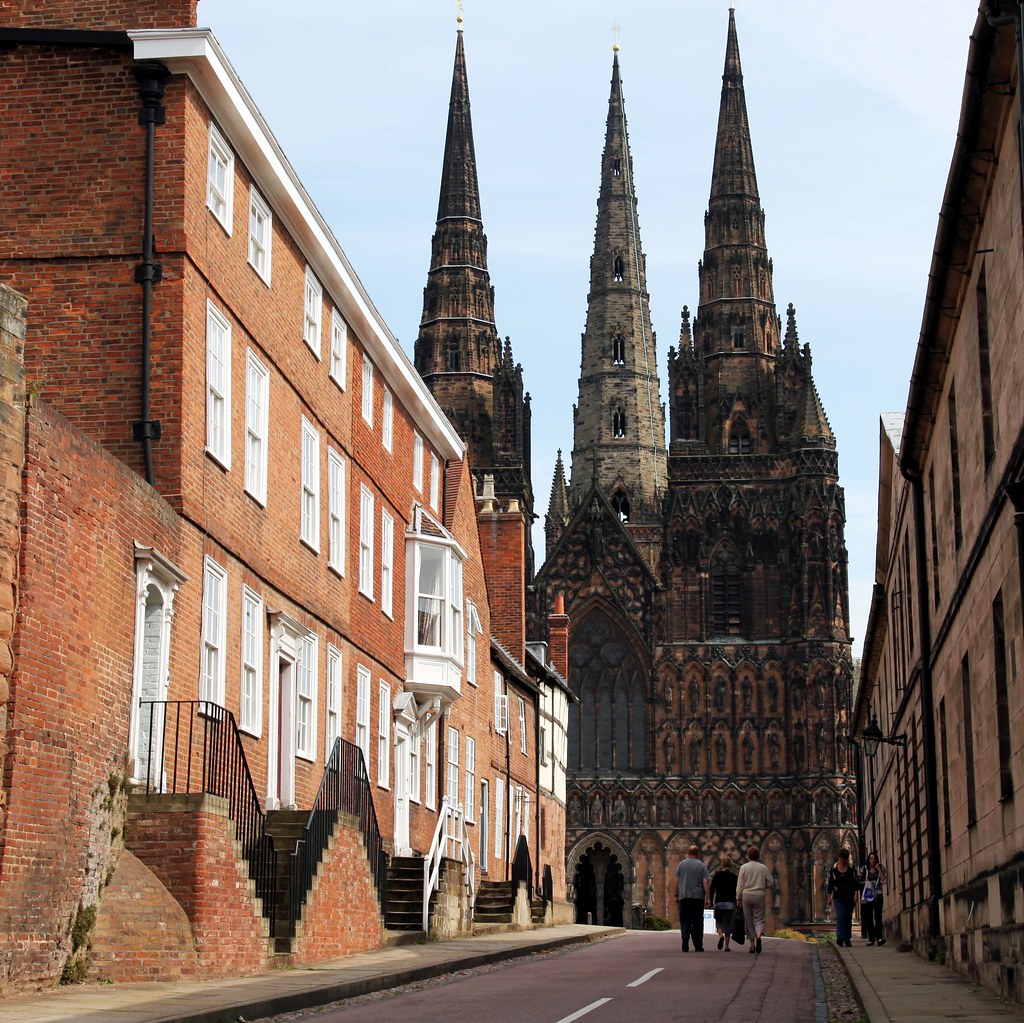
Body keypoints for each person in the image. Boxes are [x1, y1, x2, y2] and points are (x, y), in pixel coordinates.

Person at [736, 844, 774, 954]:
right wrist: (763, 886)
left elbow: (740, 885)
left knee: (748, 920)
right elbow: (771, 882)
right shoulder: (763, 867)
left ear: (748, 856)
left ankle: (752, 946)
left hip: (746, 895)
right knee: (759, 919)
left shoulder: (744, 867)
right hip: (759, 894)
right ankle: (759, 936)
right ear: (758, 856)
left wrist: (738, 898)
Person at [675, 844, 711, 952]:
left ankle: (685, 940)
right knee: (697, 922)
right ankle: (698, 945)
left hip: (684, 896)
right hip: (697, 897)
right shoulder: (701, 866)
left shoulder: (681, 865)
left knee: (685, 920)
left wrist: (676, 895)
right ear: (697, 854)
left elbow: (676, 880)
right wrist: (708, 897)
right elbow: (706, 882)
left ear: (688, 853)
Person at [827, 848, 860, 947]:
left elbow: (855, 883)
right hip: (838, 896)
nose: (843, 860)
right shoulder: (834, 869)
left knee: (848, 917)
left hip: (849, 895)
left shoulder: (851, 869)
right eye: (842, 858)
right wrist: (829, 896)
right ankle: (840, 937)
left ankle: (847, 939)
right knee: (841, 916)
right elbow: (831, 883)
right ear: (839, 858)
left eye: (845, 858)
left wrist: (856, 894)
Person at [710, 855, 738, 951]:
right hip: (730, 903)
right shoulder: (734, 877)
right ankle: (726, 946)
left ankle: (720, 936)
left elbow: (712, 888)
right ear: (731, 865)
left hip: (719, 902)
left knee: (719, 921)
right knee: (728, 924)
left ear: (722, 864)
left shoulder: (717, 875)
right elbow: (737, 890)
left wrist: (710, 900)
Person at [860, 850, 888, 946]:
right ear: (868, 859)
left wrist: (879, 870)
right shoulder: (864, 869)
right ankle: (871, 938)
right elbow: (860, 881)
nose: (872, 861)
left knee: (878, 916)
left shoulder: (881, 867)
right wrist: (866, 882)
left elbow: (884, 881)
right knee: (868, 917)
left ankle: (879, 937)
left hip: (878, 895)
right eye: (871, 859)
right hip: (868, 895)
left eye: (874, 859)